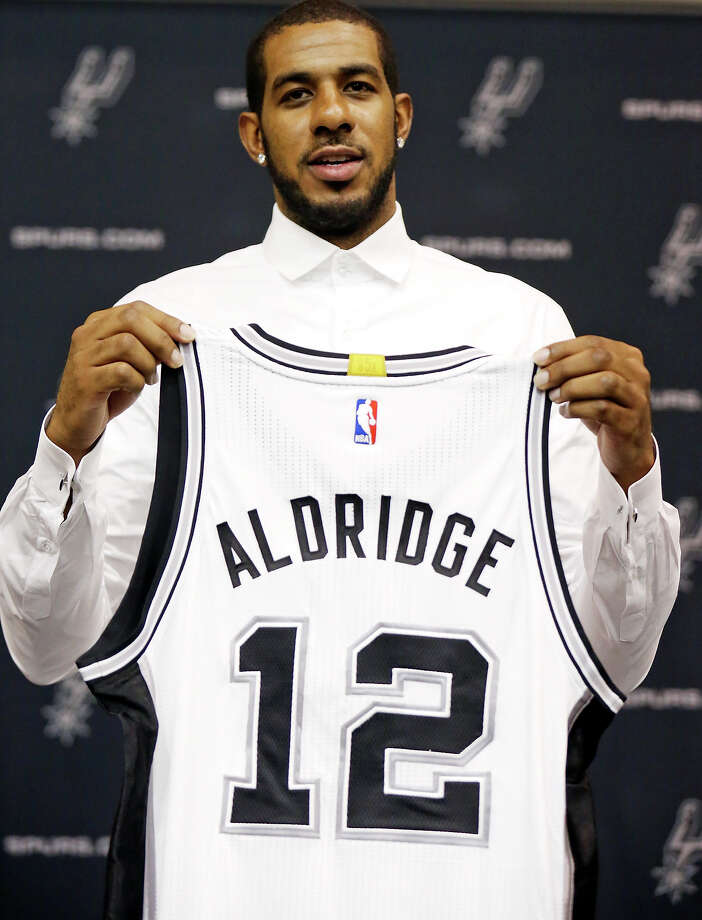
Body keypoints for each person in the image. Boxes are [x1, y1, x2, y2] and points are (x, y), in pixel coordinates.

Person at [0, 1, 680, 917]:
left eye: (356, 87)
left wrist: (634, 472)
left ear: (398, 117)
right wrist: (64, 447)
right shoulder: (166, 337)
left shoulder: (519, 335)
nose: (330, 114)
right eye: (296, 94)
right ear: (254, 132)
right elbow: (43, 643)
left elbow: (621, 650)